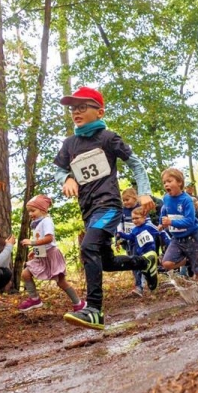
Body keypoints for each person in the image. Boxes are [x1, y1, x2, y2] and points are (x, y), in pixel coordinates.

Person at [54, 86, 157, 330]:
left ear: (99, 112)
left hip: (109, 205)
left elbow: (136, 164)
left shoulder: (108, 138)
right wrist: (67, 178)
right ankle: (145, 263)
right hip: (88, 210)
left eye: (82, 107)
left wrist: (144, 192)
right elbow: (59, 170)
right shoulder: (69, 144)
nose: (75, 112)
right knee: (106, 262)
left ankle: (94, 310)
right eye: (72, 109)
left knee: (88, 247)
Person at [18, 195, 86, 312]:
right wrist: (35, 252)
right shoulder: (37, 223)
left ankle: (79, 303)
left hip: (51, 256)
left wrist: (32, 243)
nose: (30, 214)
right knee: (25, 274)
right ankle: (35, 299)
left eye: (33, 211)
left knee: (61, 282)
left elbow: (49, 239)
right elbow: (42, 241)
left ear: (43, 210)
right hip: (42, 255)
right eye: (29, 211)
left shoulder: (47, 221)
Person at [159, 168, 198, 285]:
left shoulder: (186, 200)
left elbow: (190, 221)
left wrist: (171, 222)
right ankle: (187, 260)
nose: (166, 184)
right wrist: (161, 223)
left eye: (169, 181)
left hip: (192, 237)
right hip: (176, 238)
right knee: (166, 263)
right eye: (164, 182)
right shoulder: (166, 198)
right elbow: (164, 210)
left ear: (179, 183)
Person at [117, 206, 161, 291]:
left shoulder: (149, 226)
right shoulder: (134, 230)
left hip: (150, 252)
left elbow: (160, 232)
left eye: (137, 218)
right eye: (133, 219)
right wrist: (121, 234)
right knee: (144, 270)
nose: (134, 221)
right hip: (141, 252)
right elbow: (131, 237)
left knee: (149, 267)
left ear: (144, 217)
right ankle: (150, 284)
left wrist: (167, 242)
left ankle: (155, 274)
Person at [117, 187, 146, 297]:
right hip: (127, 241)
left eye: (127, 200)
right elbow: (119, 224)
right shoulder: (122, 211)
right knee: (132, 262)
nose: (125, 202)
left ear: (134, 198)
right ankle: (139, 285)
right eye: (123, 200)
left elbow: (146, 223)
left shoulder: (141, 208)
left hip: (140, 240)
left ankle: (142, 283)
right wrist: (119, 239)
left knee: (138, 261)